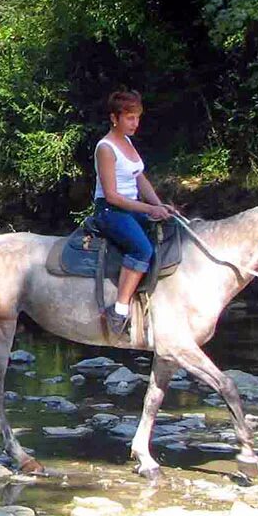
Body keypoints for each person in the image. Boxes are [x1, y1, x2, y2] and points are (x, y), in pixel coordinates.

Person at [92, 89, 176, 337]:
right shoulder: (105, 148)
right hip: (110, 210)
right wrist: (150, 209)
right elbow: (112, 196)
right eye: (129, 118)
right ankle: (118, 310)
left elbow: (140, 179)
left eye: (137, 118)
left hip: (131, 207)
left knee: (170, 231)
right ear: (114, 118)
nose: (135, 123)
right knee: (142, 249)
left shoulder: (127, 142)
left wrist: (161, 206)